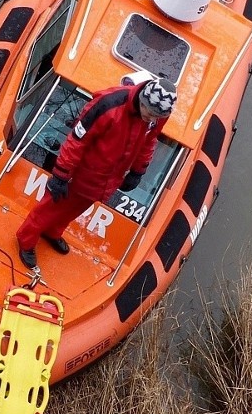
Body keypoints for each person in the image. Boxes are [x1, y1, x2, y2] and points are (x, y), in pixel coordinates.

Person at [16, 75, 178, 269]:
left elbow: (149, 141)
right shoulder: (108, 105)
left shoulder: (157, 117)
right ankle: (26, 239)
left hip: (106, 180)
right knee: (50, 207)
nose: (151, 120)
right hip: (80, 172)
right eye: (149, 113)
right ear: (142, 100)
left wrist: (138, 170)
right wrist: (61, 174)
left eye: (156, 117)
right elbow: (77, 139)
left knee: (75, 209)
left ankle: (53, 231)